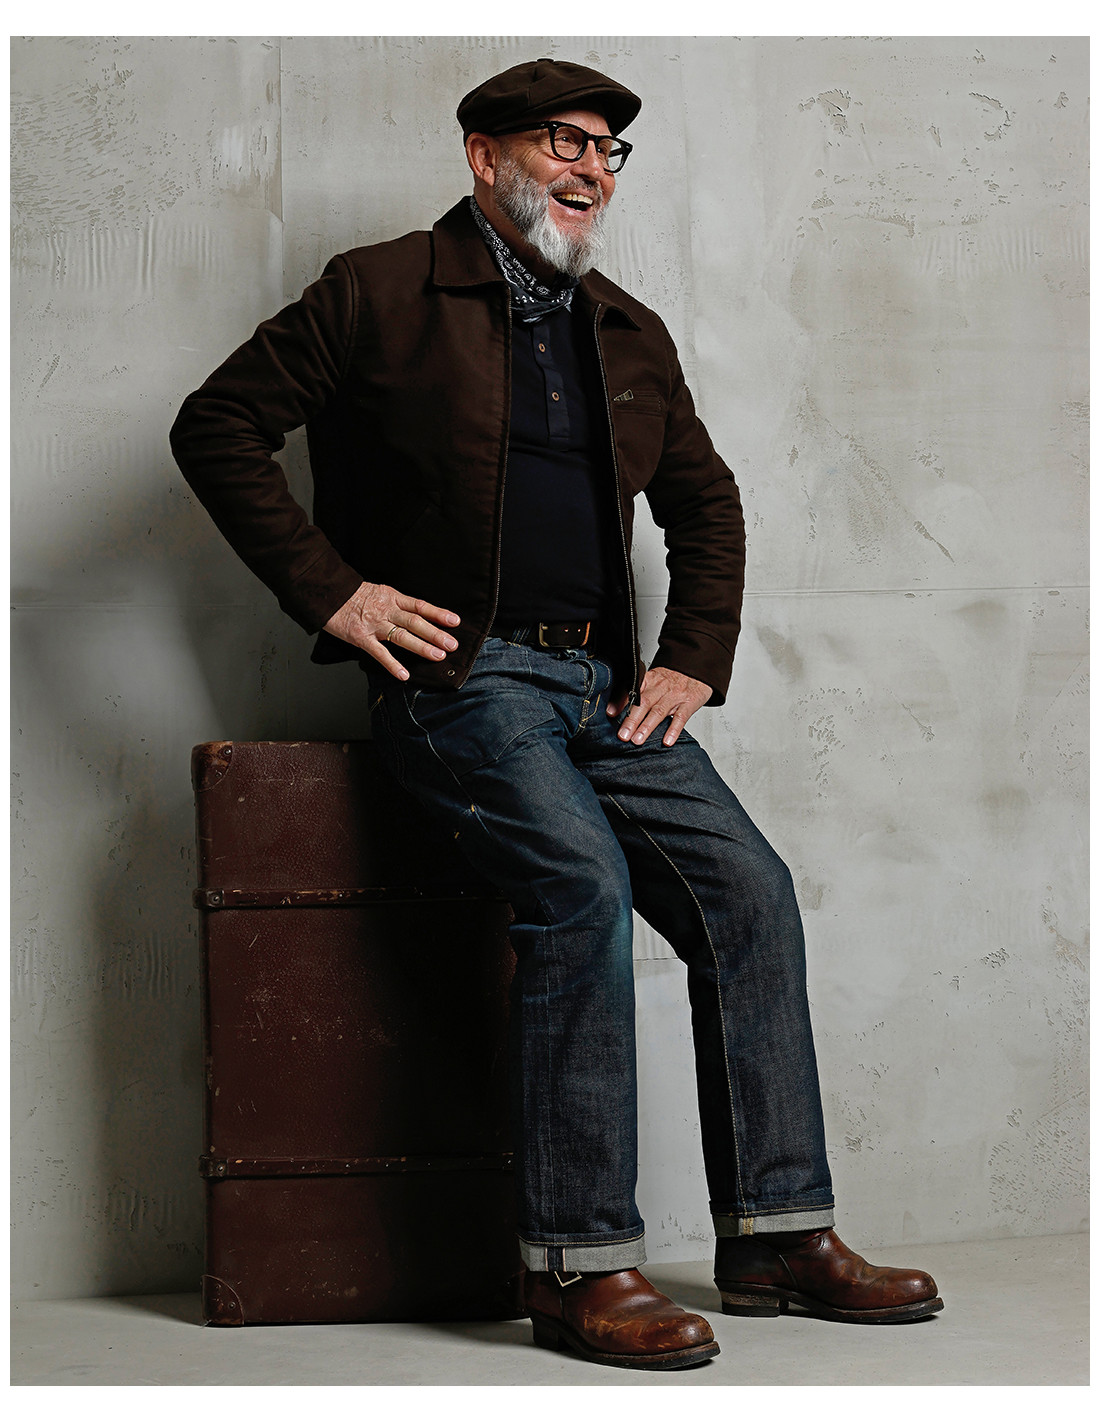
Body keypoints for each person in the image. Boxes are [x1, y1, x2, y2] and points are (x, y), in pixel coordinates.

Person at [170, 57, 943, 1371]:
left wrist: (692, 655)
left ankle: (776, 1235)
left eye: (605, 152)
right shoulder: (380, 290)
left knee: (751, 891)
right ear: (486, 158)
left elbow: (706, 503)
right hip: (462, 683)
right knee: (580, 886)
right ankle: (578, 1264)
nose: (589, 170)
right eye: (561, 143)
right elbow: (218, 425)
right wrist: (335, 592)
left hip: (602, 689)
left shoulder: (625, 327)